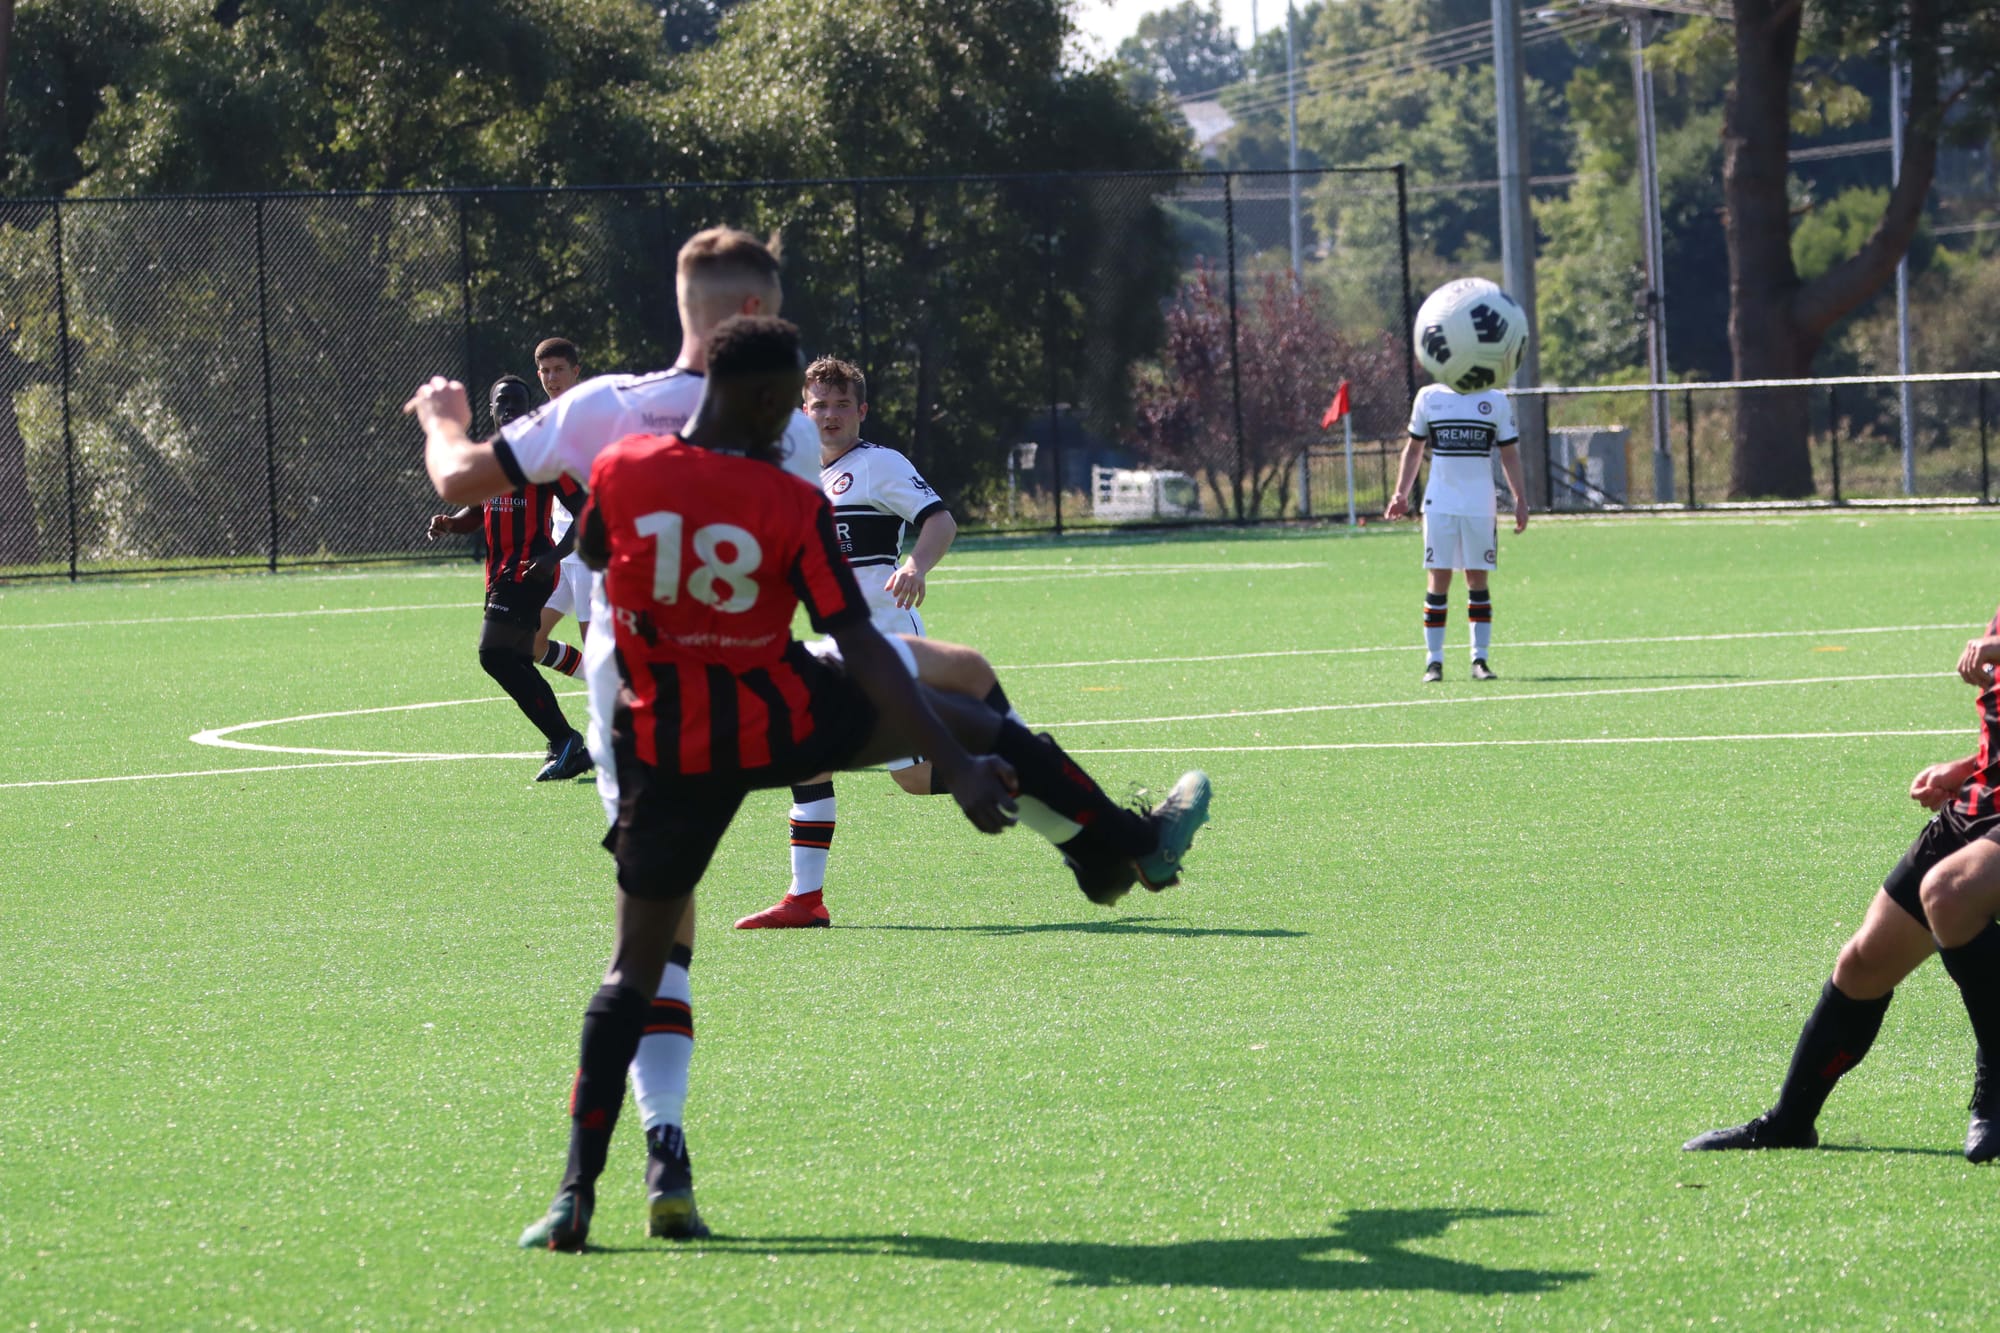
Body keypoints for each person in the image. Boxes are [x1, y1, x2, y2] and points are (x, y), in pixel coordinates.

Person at [509, 315, 1212, 1251]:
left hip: (662, 740)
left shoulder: (625, 467)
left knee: (636, 969)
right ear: (775, 404)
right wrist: (957, 759)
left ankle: (586, 1190)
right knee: (972, 711)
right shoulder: (788, 493)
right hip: (773, 709)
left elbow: (591, 552)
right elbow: (856, 638)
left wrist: (443, 424)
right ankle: (1109, 846)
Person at [1683, 620, 2000, 1162]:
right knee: (1864, 964)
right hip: (1981, 803)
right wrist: (1970, 767)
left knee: (1950, 894)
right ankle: (1790, 1122)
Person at [735, 356, 962, 930]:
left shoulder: (879, 464)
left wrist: (915, 564)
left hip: (887, 642)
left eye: (842, 405)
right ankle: (805, 900)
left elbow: (940, 521)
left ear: (861, 411)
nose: (830, 415)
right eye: (820, 405)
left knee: (911, 780)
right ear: (802, 411)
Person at [424, 375, 591, 782]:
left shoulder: (544, 456)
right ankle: (565, 745)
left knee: (493, 655)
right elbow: (480, 509)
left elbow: (586, 509)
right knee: (515, 658)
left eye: (517, 401)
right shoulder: (490, 455)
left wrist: (553, 556)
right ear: (492, 410)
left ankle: (565, 739)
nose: (510, 408)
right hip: (499, 573)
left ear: (529, 408)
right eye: (503, 402)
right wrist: (452, 524)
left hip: (528, 572)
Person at [1383, 378, 1529, 683]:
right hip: (1440, 502)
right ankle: (1433, 662)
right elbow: (1414, 449)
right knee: (1439, 577)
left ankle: (1480, 659)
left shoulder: (1495, 400)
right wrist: (1400, 493)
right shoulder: (1429, 396)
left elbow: (1509, 453)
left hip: (1480, 504)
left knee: (1477, 578)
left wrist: (1520, 498)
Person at [531, 337, 589, 683]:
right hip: (559, 549)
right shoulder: (541, 419)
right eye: (545, 371)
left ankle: (624, 704)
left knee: (598, 646)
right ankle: (609, 684)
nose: (552, 378)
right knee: (530, 642)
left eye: (559, 370)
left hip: (589, 551)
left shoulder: (589, 417)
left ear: (576, 371)